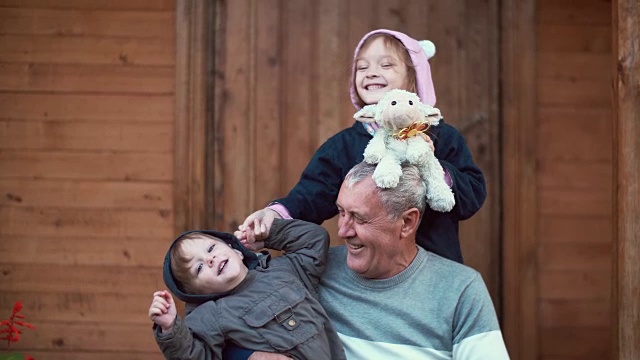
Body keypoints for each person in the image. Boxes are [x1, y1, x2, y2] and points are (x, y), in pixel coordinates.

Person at [235, 29, 485, 264]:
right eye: (362, 67)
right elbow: (310, 195)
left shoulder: (443, 137)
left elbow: (472, 195)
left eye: (386, 65)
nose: (371, 72)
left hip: (433, 268)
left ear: (414, 80)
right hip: (370, 273)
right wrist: (274, 220)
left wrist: (435, 169)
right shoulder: (343, 146)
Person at [231, 162, 509, 360]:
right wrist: (248, 356)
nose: (342, 230)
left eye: (359, 218)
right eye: (341, 212)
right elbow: (219, 320)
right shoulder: (311, 269)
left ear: (407, 222)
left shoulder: (460, 289)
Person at [148, 219, 346, 360]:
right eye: (198, 268)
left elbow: (314, 240)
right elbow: (195, 355)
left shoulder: (284, 269)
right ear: (198, 294)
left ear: (235, 249)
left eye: (211, 249)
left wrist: (269, 233)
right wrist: (170, 328)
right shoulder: (212, 313)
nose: (210, 259)